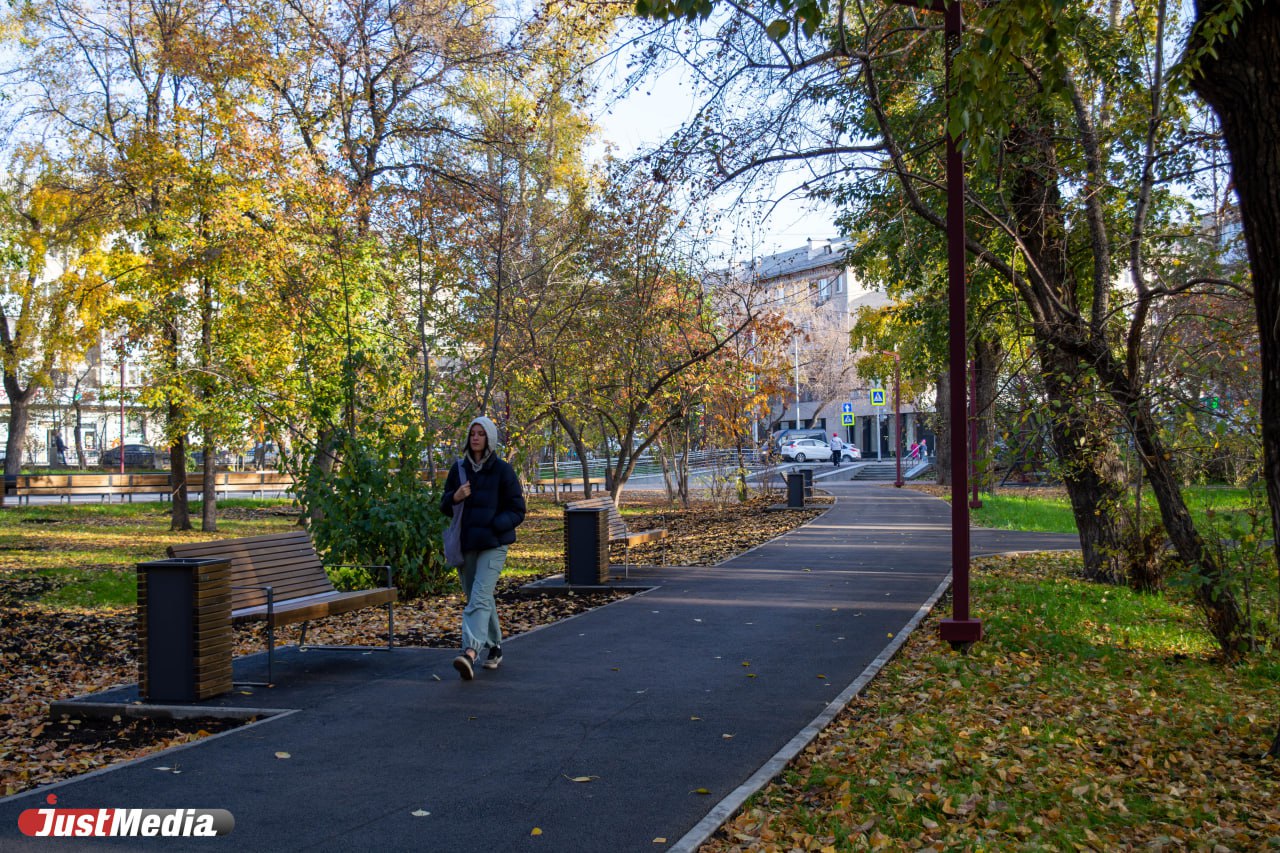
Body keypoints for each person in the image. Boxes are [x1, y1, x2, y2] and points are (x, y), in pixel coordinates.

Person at [440, 416, 527, 681]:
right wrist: (455, 496)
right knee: (479, 598)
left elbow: (517, 510)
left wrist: (495, 525)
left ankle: (470, 653)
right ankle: (496, 647)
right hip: (467, 545)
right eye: (472, 433)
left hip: (494, 544)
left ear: (489, 438)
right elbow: (444, 505)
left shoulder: (503, 470)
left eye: (480, 433)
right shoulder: (459, 470)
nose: (475, 437)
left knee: (478, 597)